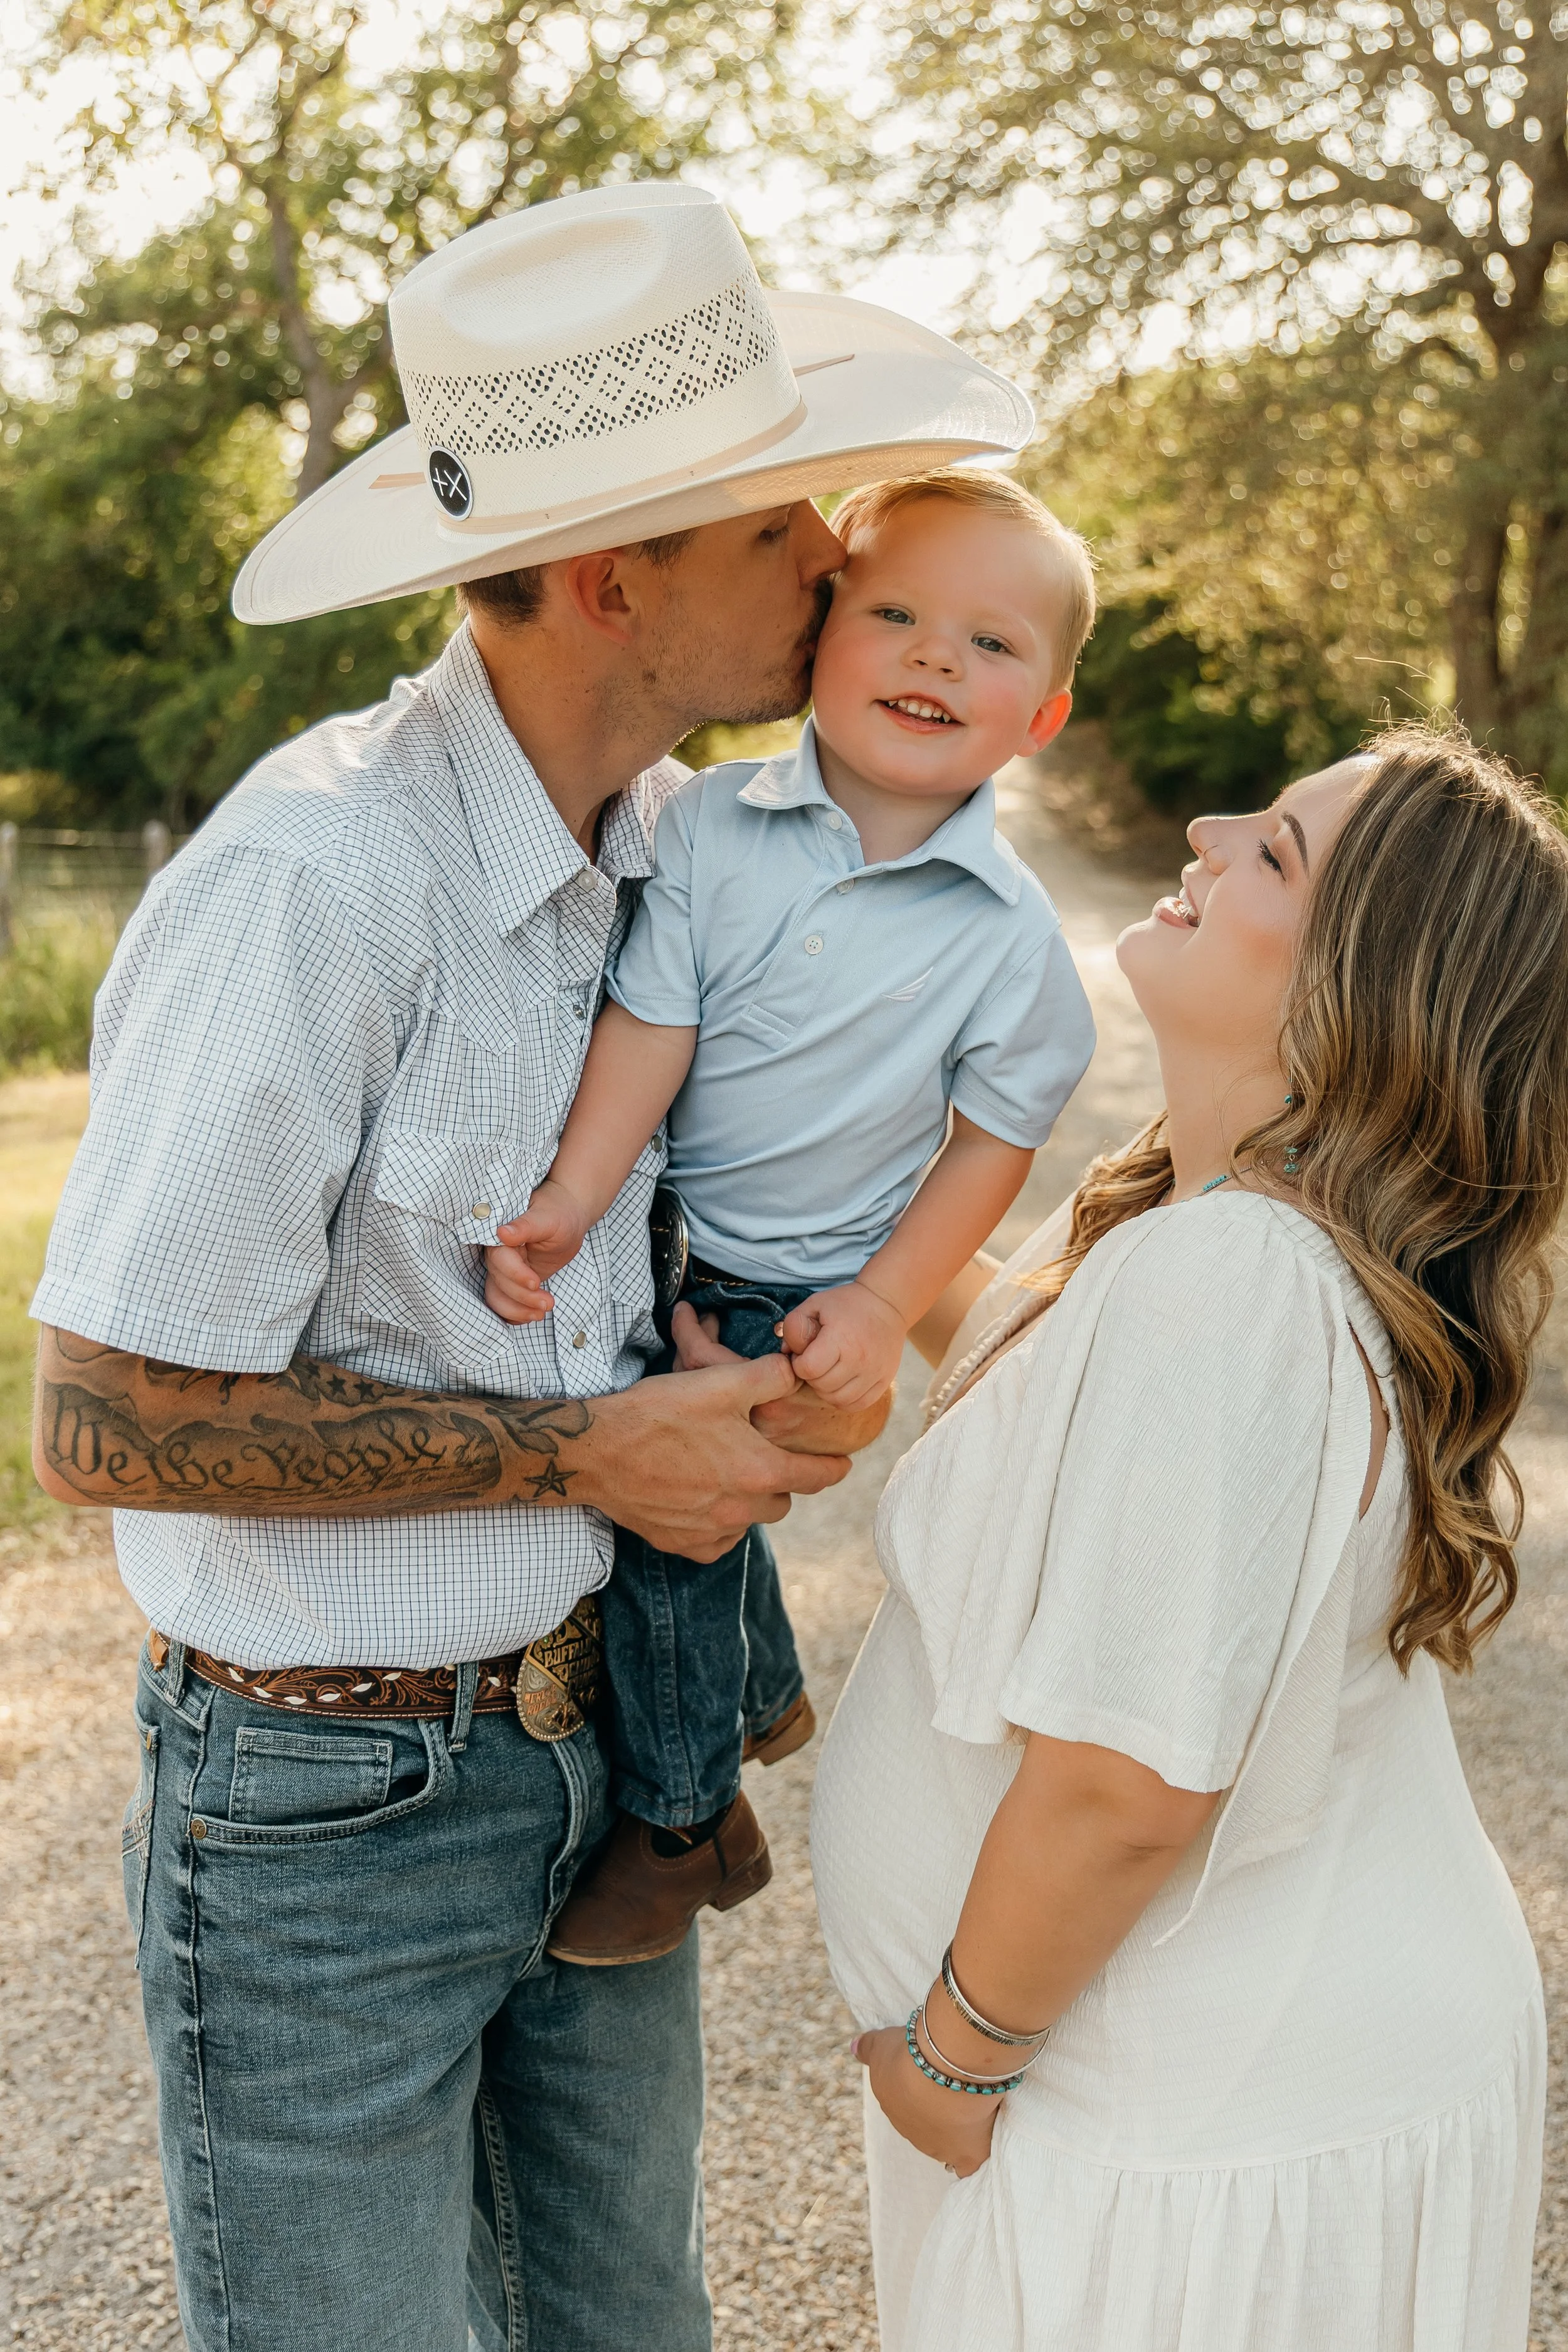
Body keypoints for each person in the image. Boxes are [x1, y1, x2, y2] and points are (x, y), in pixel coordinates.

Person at [28, 182, 1035, 2352]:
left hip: (603, 1771)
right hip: (317, 1817)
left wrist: (805, 1369)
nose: (842, 561)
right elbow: (104, 1423)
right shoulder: (315, 888)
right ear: (609, 579)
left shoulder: (685, 847)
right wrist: (597, 1453)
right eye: (786, 529)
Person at [810, 722, 1568, 2351]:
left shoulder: (1229, 1284)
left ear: (1365, 993)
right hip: (1258, 2074)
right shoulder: (1209, 1221)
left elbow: (1125, 1781)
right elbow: (1041, 1381)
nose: (1210, 820)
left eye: (1276, 848)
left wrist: (953, 2060)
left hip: (1189, 2133)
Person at [485, 468, 1097, 1966]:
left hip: (809, 1283)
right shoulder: (708, 830)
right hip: (666, 1234)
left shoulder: (1009, 940)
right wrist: (572, 1193)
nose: (933, 657)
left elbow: (988, 1148)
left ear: (1043, 718)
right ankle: (757, 1694)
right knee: (658, 1480)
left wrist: (887, 1306)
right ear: (820, 637)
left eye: (988, 644)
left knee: (664, 1546)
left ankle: (682, 1824)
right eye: (890, 613)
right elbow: (651, 1025)